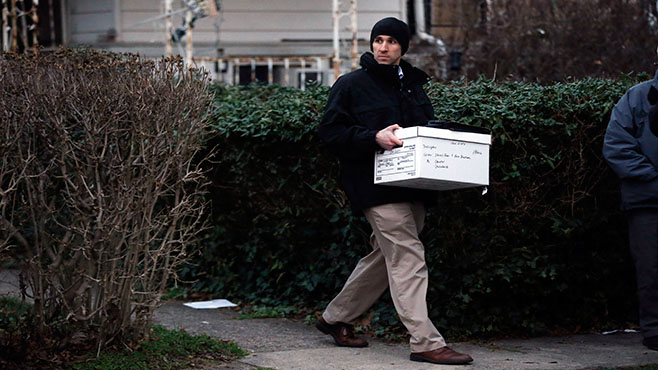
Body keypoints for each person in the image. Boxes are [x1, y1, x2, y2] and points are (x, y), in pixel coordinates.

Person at [314, 17, 473, 365]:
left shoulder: (413, 85)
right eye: (378, 40)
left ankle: (336, 317)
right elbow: (330, 134)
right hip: (374, 186)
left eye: (391, 41)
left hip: (414, 186)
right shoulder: (351, 85)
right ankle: (425, 341)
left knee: (386, 257)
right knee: (408, 257)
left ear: (403, 47)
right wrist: (373, 138)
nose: (383, 47)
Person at [603, 71, 658, 350]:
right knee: (651, 268)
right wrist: (653, 178)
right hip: (648, 201)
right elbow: (617, 146)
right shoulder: (637, 97)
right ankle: (655, 330)